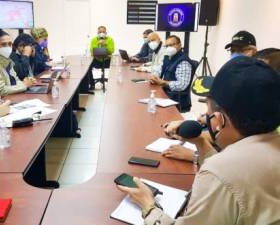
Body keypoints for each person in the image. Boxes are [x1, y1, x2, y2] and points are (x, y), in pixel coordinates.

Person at [118, 56, 280, 225]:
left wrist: (149, 207)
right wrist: (201, 143)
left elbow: (225, 175)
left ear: (218, 120)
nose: (204, 117)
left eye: (206, 111)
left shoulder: (219, 172)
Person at [0, 30, 34, 98]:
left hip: (8, 99)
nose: (7, 47)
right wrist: (24, 85)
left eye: (9, 44)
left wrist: (26, 82)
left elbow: (15, 80)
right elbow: (1, 91)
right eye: (3, 44)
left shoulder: (7, 59)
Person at [150, 35, 195, 112]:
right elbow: (160, 70)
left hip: (174, 99)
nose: (168, 48)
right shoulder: (168, 57)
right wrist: (155, 77)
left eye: (171, 45)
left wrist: (163, 82)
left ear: (180, 45)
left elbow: (182, 85)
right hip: (164, 93)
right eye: (166, 46)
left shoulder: (183, 61)